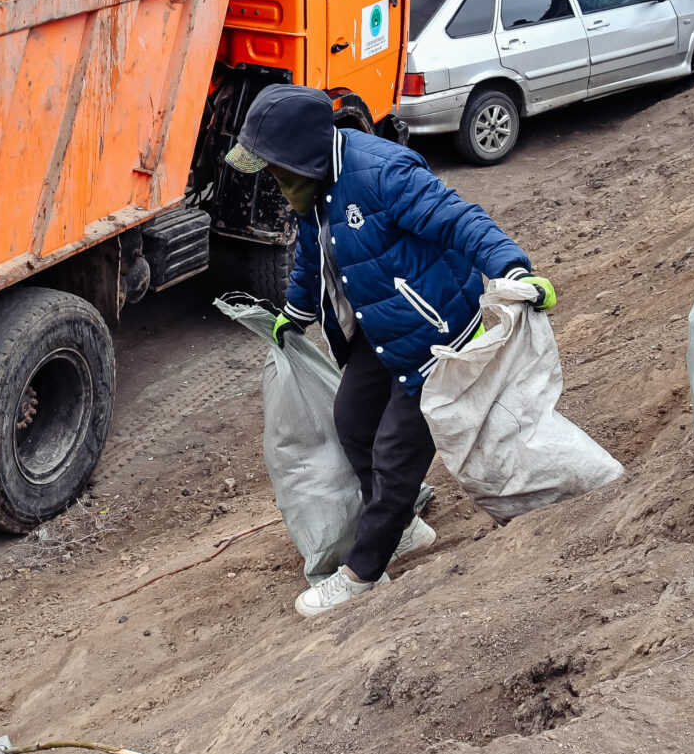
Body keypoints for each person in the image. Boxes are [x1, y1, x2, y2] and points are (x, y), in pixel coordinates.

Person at [227, 84, 552, 618]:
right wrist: (297, 312)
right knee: (352, 420)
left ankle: (361, 573)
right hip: (383, 330)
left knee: (395, 455)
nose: (276, 185)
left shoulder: (384, 173)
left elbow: (459, 219)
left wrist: (514, 269)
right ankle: (403, 528)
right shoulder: (314, 192)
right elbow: (313, 255)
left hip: (438, 335)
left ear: (305, 159)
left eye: (278, 172)